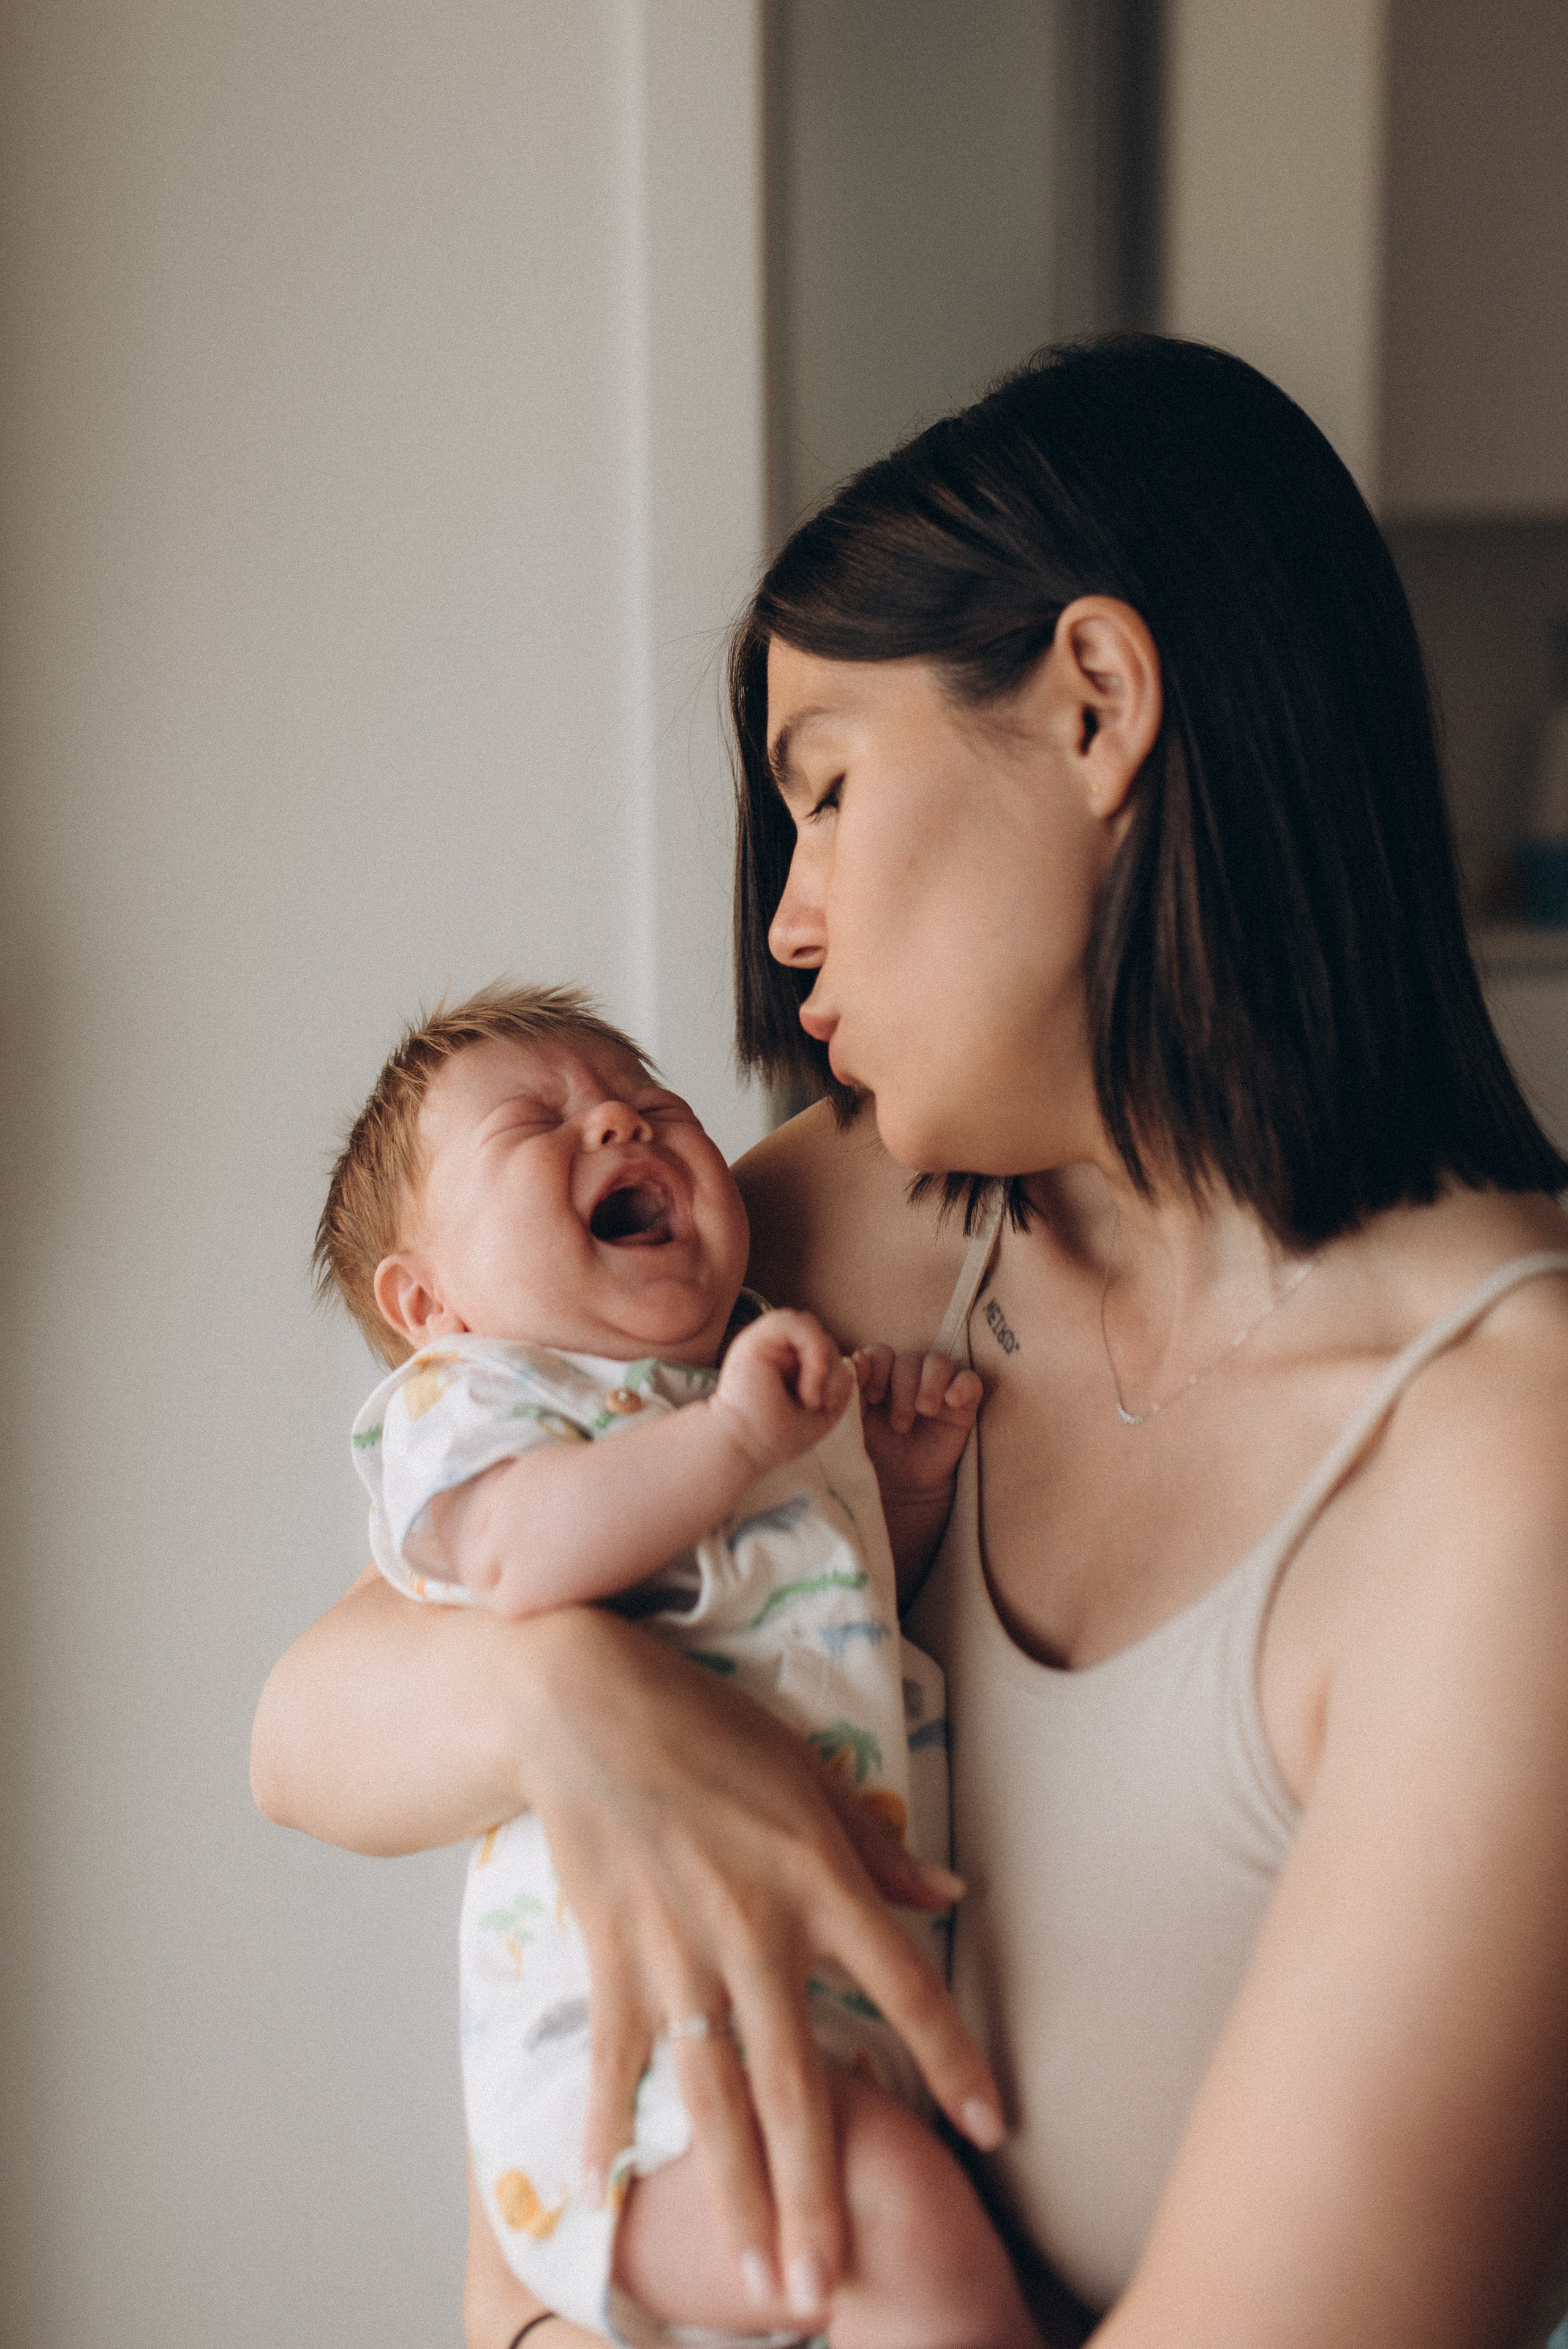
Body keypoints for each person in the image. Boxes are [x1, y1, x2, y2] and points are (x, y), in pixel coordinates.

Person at [254, 335, 1568, 2349]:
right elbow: (312, 1720)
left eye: (831, 791)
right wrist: (570, 1706)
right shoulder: (863, 1223)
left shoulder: (1505, 1477)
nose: (786, 925)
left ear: (1095, 704)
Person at [310, 982, 1030, 2347]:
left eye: (648, 1101)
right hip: (627, 2049)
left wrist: (890, 1493)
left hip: (809, 2006)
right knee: (901, 2242)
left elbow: (822, 1620)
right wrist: (741, 1443)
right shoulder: (477, 1403)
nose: (617, 1124)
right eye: (536, 1123)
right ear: (430, 1301)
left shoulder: (747, 1377)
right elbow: (517, 1559)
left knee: (887, 2232)